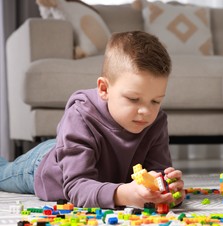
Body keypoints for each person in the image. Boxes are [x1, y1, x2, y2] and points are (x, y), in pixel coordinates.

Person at [0, 31, 185, 209]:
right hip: (45, 165)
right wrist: (123, 194)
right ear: (104, 89)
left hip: (71, 148)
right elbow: (76, 186)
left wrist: (167, 189)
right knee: (3, 173)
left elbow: (157, 171)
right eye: (133, 99)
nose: (146, 111)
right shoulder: (81, 115)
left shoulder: (156, 120)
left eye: (156, 101)